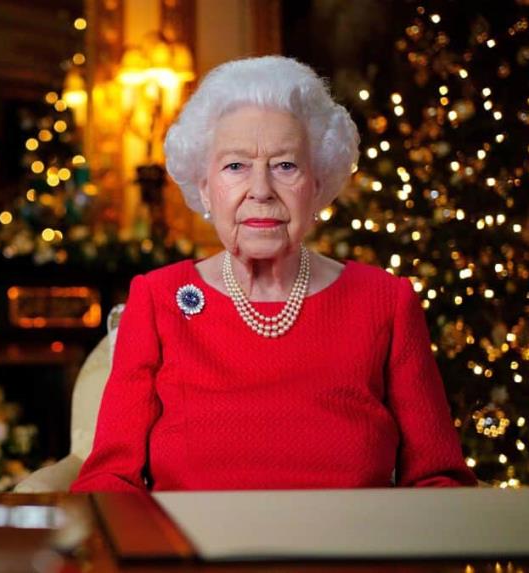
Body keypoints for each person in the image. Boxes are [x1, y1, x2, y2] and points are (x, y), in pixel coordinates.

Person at [71, 56, 477, 492]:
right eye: (235, 166)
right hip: (194, 557)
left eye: (285, 166)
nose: (261, 190)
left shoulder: (384, 301)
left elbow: (439, 479)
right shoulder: (158, 298)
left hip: (348, 556)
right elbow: (109, 480)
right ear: (205, 186)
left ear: (318, 185)